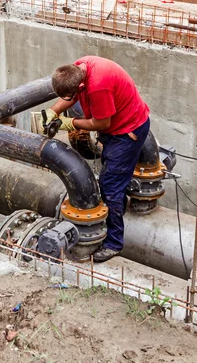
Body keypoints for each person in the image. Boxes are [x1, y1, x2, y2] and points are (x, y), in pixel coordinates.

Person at [41, 56, 150, 262]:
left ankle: (114, 243)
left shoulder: (98, 86)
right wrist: (53, 111)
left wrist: (69, 123)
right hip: (121, 125)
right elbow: (71, 96)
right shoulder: (79, 67)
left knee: (109, 184)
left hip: (127, 132)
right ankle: (120, 202)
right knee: (113, 174)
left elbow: (102, 123)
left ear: (80, 85)